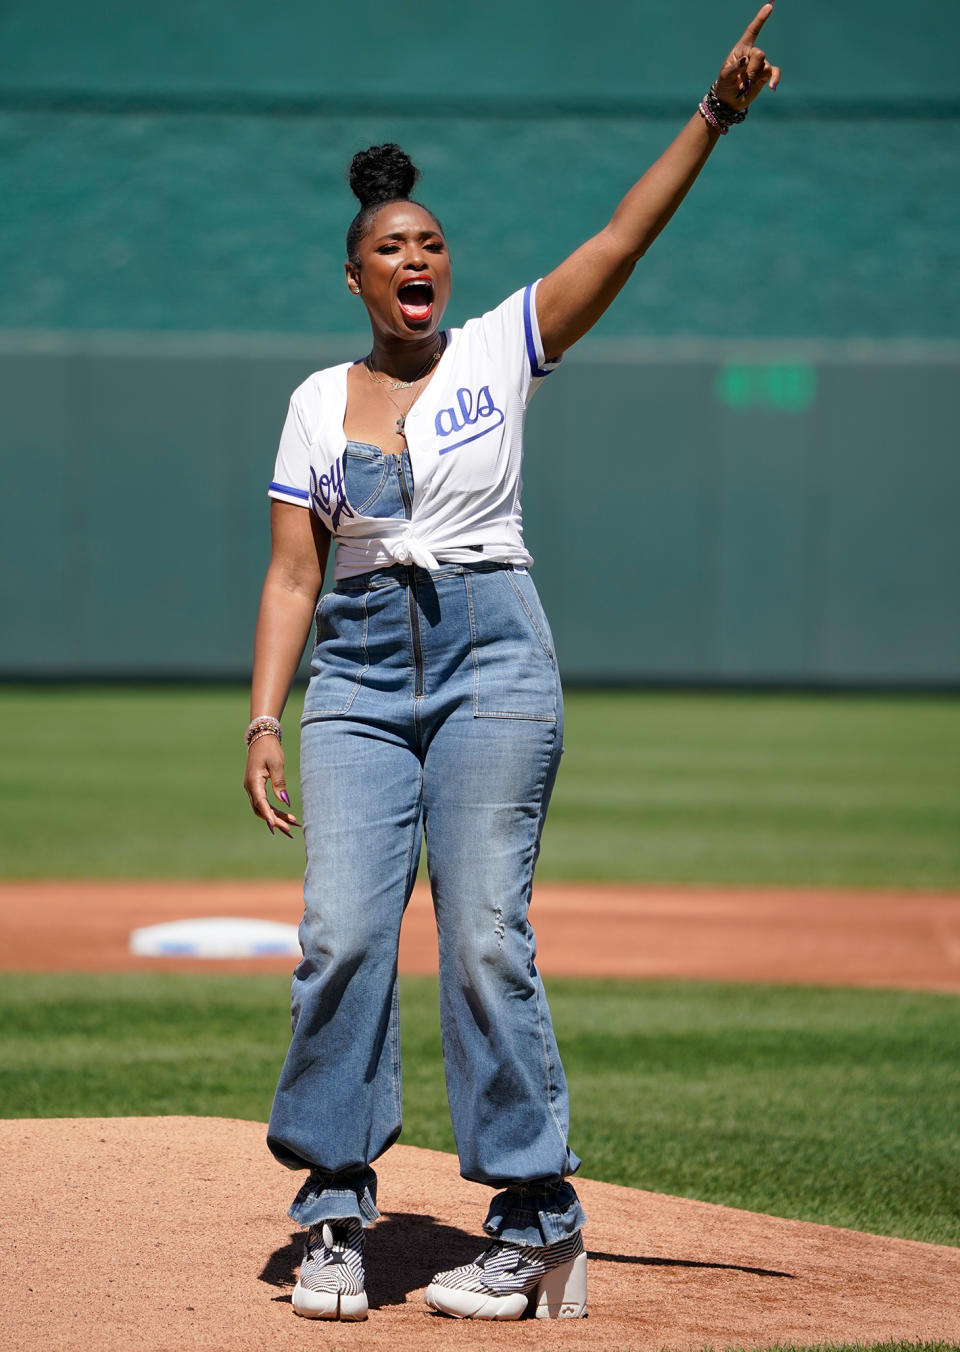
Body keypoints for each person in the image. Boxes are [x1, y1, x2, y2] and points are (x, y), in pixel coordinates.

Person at [243, 4, 781, 1323]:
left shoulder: (499, 348)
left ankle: (538, 1223)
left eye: (429, 242)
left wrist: (711, 117)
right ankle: (333, 1218)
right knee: (342, 936)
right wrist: (265, 716)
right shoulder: (317, 400)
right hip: (357, 681)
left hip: (494, 658)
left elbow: (618, 237)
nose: (414, 256)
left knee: (485, 936)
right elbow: (291, 574)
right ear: (357, 278)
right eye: (390, 248)